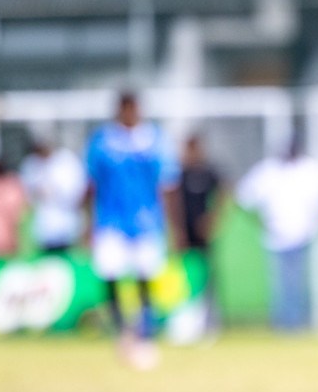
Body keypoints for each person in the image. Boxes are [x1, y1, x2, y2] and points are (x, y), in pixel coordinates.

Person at [87, 91, 178, 368]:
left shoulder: (153, 140)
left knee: (145, 278)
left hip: (147, 222)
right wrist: (87, 224)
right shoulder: (102, 141)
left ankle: (145, 334)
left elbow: (167, 184)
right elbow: (90, 185)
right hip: (110, 222)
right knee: (111, 277)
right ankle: (121, 333)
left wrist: (174, 224)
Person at [236, 135, 318, 332]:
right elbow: (243, 197)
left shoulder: (310, 169)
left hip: (304, 236)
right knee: (283, 284)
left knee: (299, 282)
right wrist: (260, 222)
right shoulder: (268, 171)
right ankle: (287, 325)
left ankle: (300, 323)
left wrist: (315, 224)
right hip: (276, 238)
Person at [176, 134, 222, 324]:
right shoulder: (180, 173)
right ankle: (185, 321)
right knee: (184, 279)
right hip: (185, 236)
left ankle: (210, 321)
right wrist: (177, 230)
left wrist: (212, 220)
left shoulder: (208, 172)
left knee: (208, 278)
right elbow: (172, 200)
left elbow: (223, 192)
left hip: (203, 236)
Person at [20, 135, 87, 255]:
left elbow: (77, 191)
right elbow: (28, 196)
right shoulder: (31, 165)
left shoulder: (66, 161)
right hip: (44, 228)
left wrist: (55, 191)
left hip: (67, 225)